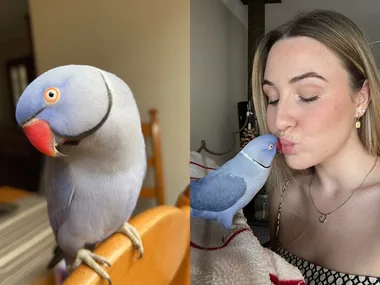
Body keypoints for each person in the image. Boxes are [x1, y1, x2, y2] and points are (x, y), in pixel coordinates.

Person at [251, 9, 380, 284]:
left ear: (361, 99)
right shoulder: (284, 193)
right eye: (272, 98)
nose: (279, 120)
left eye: (307, 96)